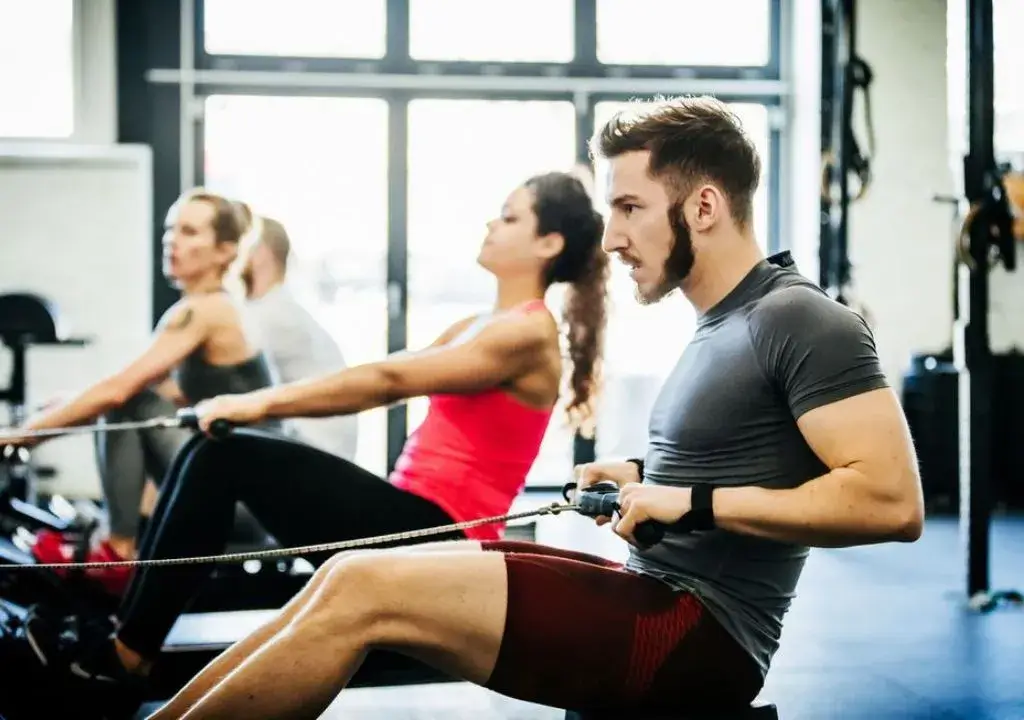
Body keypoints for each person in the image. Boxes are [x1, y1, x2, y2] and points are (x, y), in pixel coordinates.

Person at [79, 95, 926, 719]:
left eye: (629, 208)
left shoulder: (800, 316)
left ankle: (123, 667)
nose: (617, 236)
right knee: (346, 575)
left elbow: (890, 503)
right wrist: (640, 477)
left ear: (703, 204)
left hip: (698, 639)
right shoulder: (721, 323)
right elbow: (749, 465)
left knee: (366, 586)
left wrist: (689, 500)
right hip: (660, 593)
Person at [49, 171, 610, 708]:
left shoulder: (527, 332)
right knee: (209, 449)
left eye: (510, 217)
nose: (491, 223)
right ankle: (128, 640)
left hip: (443, 534)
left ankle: (126, 656)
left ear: (548, 242)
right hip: (412, 513)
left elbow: (386, 383)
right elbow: (387, 369)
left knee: (227, 454)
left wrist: (258, 402)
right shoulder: (476, 325)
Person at [20, 188, 280, 593]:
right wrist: (61, 405)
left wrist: (23, 434)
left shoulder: (204, 310)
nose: (172, 240)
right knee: (133, 402)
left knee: (130, 404)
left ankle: (119, 551)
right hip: (246, 494)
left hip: (245, 503)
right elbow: (167, 393)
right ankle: (118, 543)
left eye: (190, 232)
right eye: (170, 229)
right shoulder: (214, 306)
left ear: (225, 252)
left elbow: (120, 392)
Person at [238, 216, 358, 460]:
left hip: (315, 450)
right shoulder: (279, 307)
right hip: (317, 444)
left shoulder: (272, 315)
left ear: (260, 253)